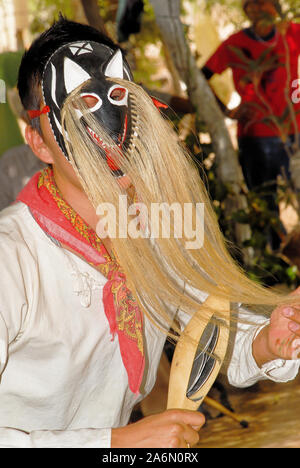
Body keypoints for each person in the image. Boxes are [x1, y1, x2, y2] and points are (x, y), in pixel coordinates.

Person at [1, 17, 300, 449]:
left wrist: (268, 342)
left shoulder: (153, 230)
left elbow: (215, 330)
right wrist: (115, 443)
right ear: (39, 142)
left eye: (119, 95)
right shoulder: (11, 258)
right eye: (82, 105)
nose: (110, 123)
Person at [202, 0, 300, 250]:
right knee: (264, 205)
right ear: (247, 10)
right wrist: (226, 111)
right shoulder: (235, 44)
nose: (259, 8)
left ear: (275, 7)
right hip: (255, 136)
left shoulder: (291, 33)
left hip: (294, 132)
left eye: (265, 3)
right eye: (252, 4)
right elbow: (202, 76)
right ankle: (276, 260)